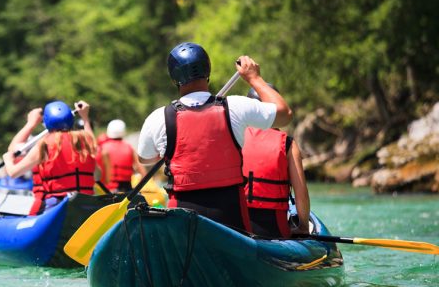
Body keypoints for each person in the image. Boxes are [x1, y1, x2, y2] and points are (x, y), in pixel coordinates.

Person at [137, 42, 292, 231]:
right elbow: (285, 114)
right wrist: (254, 79)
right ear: (207, 70)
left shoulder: (158, 118)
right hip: (231, 217)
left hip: (183, 219)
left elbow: (145, 159)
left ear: (174, 78)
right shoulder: (236, 106)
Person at [3, 100, 97, 215]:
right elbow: (97, 174)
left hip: (56, 205)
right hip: (87, 202)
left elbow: (13, 172)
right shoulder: (85, 141)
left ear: (47, 123)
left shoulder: (44, 145)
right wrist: (85, 118)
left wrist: (30, 123)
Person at [243, 87, 310, 238]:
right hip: (274, 228)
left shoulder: (234, 136)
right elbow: (301, 194)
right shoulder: (288, 144)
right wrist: (303, 226)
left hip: (237, 225)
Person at [100, 119, 146, 192]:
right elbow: (143, 173)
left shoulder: (103, 147)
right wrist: (136, 190)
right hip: (127, 190)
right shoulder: (129, 148)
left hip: (108, 190)